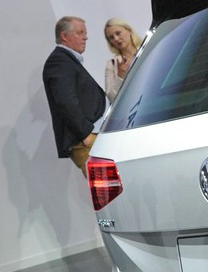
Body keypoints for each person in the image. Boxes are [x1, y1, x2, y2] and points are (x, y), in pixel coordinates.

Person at [42, 16, 107, 177]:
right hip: (85, 140)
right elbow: (66, 101)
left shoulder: (66, 60)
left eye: (85, 33)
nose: (86, 37)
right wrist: (86, 135)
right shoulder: (59, 61)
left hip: (92, 136)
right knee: (107, 185)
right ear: (65, 36)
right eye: (80, 33)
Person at [103, 17, 141, 103]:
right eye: (111, 37)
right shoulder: (112, 64)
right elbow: (112, 97)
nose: (116, 39)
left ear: (129, 30)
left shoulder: (147, 47)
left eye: (118, 33)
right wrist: (121, 76)